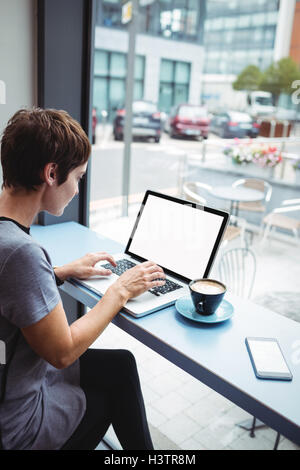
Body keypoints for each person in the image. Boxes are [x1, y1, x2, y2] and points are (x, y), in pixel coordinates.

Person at [0, 108, 166, 450]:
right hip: (18, 428)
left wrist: (58, 273)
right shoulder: (23, 254)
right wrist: (119, 290)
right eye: (78, 176)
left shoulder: (10, 241)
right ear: (51, 173)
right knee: (113, 392)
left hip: (11, 381)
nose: (77, 189)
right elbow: (62, 353)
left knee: (120, 364)